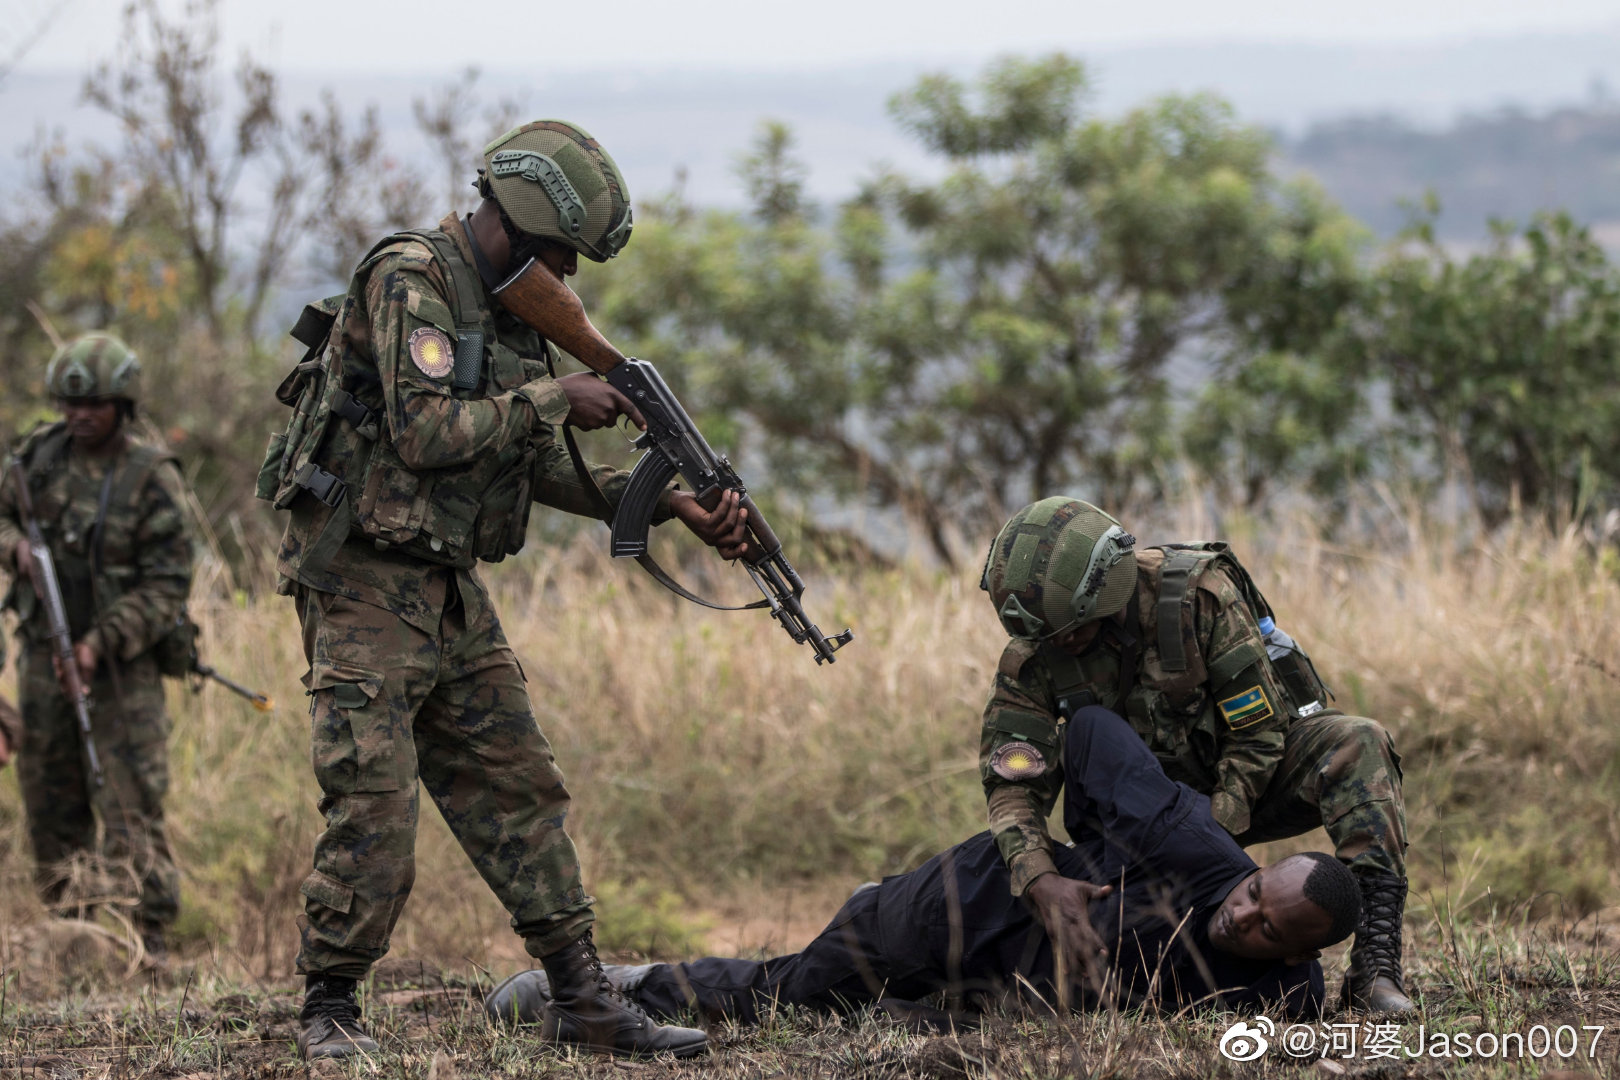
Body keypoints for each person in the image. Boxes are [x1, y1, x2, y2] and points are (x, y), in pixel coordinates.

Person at [264, 119, 745, 1060]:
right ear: (522, 227)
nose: (565, 278)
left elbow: (526, 466)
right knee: (373, 803)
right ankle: (329, 1009)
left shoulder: (513, 312)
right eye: (560, 255)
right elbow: (424, 435)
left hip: (442, 579)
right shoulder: (413, 278)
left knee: (519, 783)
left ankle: (581, 996)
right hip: (362, 577)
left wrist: (669, 504)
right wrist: (558, 397)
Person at [484, 708, 1360, 1028]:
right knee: (798, 992)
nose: (1246, 916)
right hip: (983, 900)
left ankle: (913, 993)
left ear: (1293, 955)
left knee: (896, 1026)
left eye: (1269, 929)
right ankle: (611, 986)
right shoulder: (1196, 844)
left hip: (1016, 993)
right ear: (1252, 871)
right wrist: (1063, 859)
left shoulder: (1283, 997)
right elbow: (1091, 726)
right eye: (1255, 894)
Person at [975, 497, 1412, 1013]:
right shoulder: (1036, 649)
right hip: (1131, 817)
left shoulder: (1196, 597)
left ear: (1106, 587)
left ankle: (1375, 968)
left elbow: (1259, 734)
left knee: (1359, 741)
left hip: (1232, 794)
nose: (1061, 643)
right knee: (1025, 886)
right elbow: (1013, 779)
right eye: (1049, 635)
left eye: (1072, 629)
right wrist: (1039, 878)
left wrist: (1206, 841)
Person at [0, 333, 193, 963]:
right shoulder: (38, 458)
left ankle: (150, 942)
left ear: (123, 405)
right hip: (39, 658)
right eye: (69, 404)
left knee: (130, 799)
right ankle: (70, 936)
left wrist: (98, 642)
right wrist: (16, 549)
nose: (80, 416)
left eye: (96, 405)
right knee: (49, 794)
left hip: (121, 669)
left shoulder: (150, 477)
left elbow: (167, 584)